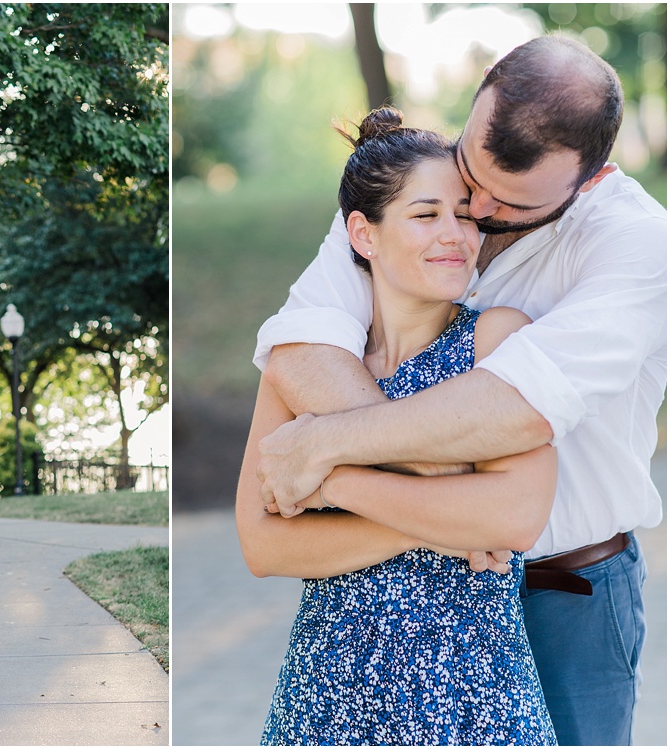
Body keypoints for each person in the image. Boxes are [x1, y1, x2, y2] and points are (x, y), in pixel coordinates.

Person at [254, 35, 665, 746]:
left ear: (587, 181)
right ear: (480, 94)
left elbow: (513, 408)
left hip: (569, 593)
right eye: (471, 170)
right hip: (404, 582)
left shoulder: (638, 245)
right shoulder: (415, 183)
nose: (471, 209)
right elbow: (300, 348)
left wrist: (326, 451)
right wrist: (453, 505)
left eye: (505, 203)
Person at [238, 106, 557, 745]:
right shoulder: (305, 365)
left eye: (466, 214)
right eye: (425, 214)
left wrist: (334, 484)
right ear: (364, 234)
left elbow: (513, 518)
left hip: (470, 693)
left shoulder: (496, 341)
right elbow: (263, 546)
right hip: (330, 691)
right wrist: (445, 519)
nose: (456, 234)